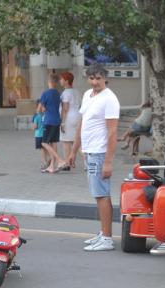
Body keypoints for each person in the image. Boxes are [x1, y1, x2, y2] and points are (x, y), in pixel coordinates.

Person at [68, 63, 119, 251]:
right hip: (89, 152)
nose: (95, 81)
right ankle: (103, 232)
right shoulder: (88, 95)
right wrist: (74, 151)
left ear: (105, 78)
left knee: (102, 194)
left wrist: (108, 161)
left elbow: (112, 131)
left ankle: (107, 238)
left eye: (99, 78)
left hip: (100, 152)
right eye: (92, 78)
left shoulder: (110, 99)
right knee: (98, 194)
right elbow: (82, 124)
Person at [38, 73, 67, 173]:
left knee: (44, 142)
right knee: (53, 142)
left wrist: (42, 109)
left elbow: (39, 109)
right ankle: (52, 166)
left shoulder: (45, 93)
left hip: (48, 120)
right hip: (57, 120)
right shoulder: (58, 94)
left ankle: (60, 160)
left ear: (49, 82)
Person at [59, 72, 81, 169]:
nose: (60, 81)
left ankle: (68, 163)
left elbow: (65, 109)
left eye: (62, 79)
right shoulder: (77, 91)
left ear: (66, 81)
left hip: (68, 118)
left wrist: (63, 123)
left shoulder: (66, 93)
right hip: (78, 116)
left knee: (66, 141)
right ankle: (85, 162)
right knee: (76, 141)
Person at [31, 100, 49, 170]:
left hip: (38, 135)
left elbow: (35, 127)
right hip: (45, 134)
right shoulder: (46, 115)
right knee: (46, 148)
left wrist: (33, 127)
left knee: (42, 149)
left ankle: (45, 162)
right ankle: (49, 159)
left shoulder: (36, 116)